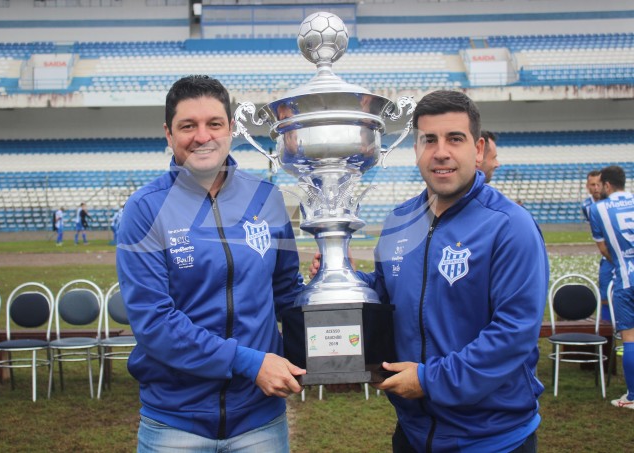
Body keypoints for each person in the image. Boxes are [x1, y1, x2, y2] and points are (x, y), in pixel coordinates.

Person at [312, 90, 548, 452]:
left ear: (478, 149)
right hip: (412, 434)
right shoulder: (400, 221)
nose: (441, 152)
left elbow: (513, 334)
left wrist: (429, 380)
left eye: (455, 139)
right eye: (429, 140)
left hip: (491, 439)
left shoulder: (509, 226)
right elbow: (387, 295)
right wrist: (343, 280)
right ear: (417, 149)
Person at [116, 75, 306, 452]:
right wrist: (248, 362)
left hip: (259, 421)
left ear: (231, 130)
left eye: (214, 124)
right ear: (169, 134)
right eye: (188, 126)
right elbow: (154, 323)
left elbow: (287, 294)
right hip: (175, 423)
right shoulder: (144, 209)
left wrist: (334, 289)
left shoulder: (266, 199)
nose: (202, 136)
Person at [589, 165, 634, 410]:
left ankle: (632, 395)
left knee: (629, 338)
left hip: (625, 279)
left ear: (606, 185)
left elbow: (604, 249)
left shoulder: (597, 209)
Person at [582, 170, 615, 321]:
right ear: (587, 186)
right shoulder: (586, 206)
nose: (595, 188)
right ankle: (606, 326)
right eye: (592, 184)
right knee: (604, 289)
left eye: (598, 184)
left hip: (621, 252)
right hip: (607, 253)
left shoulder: (613, 202)